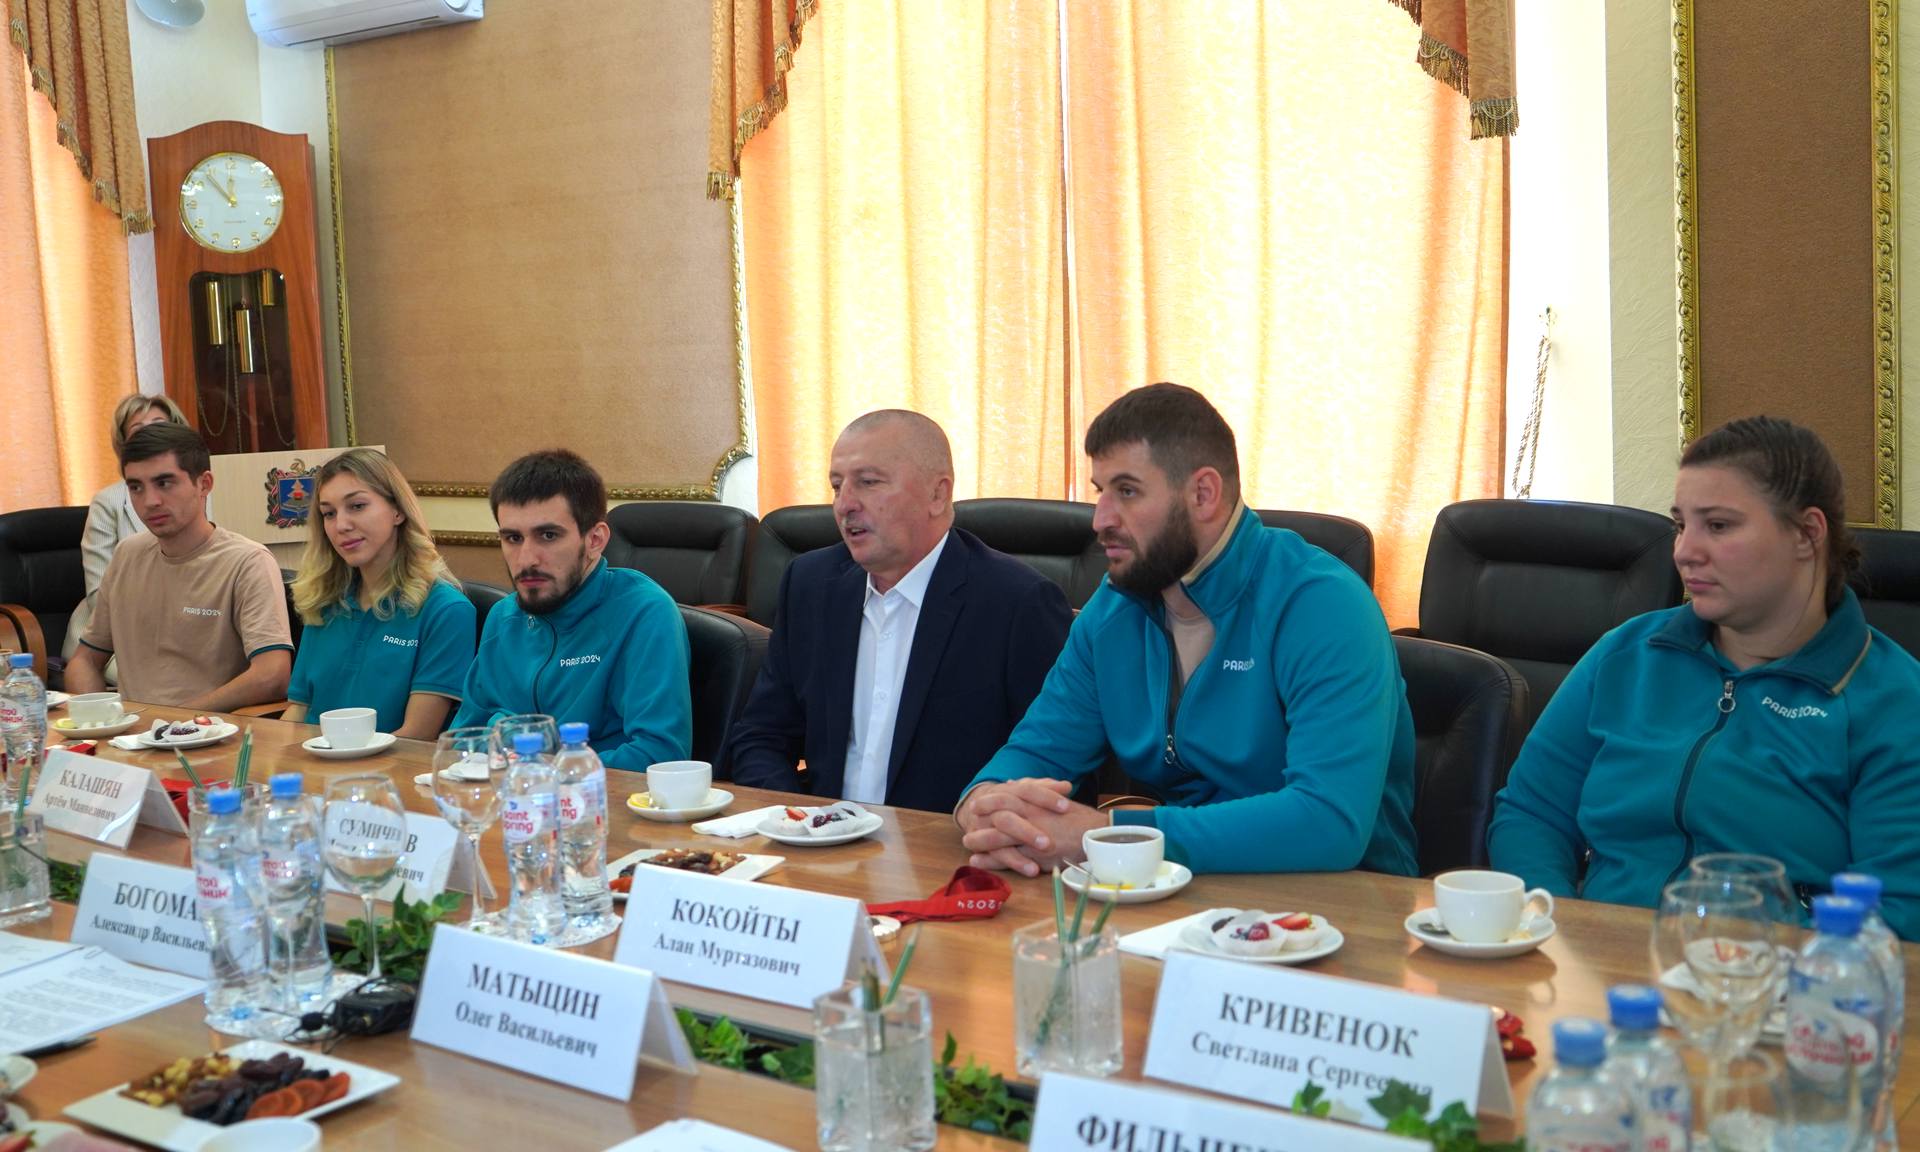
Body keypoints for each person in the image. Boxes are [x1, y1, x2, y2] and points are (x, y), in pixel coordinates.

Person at [956, 383, 1418, 877]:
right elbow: (1035, 751)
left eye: (1127, 491)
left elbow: (1328, 823)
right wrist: (984, 805)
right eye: (1100, 492)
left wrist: (1114, 836)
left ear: (1203, 494)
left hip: (1345, 902)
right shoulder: (1112, 611)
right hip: (1177, 889)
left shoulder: (1323, 604)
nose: (1100, 519)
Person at [1490, 416, 1920, 938]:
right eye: (1681, 525)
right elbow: (1532, 814)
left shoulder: (1894, 700)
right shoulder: (1626, 655)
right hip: (1599, 958)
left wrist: (1756, 960)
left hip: (1774, 975)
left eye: (1717, 526)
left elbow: (1901, 909)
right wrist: (1558, 925)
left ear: (1807, 534)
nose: (1684, 552)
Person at [725, 411, 1073, 812]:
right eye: (837, 486)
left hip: (946, 843)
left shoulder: (1017, 602)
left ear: (937, 495)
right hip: (821, 838)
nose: (844, 504)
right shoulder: (810, 584)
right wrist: (798, 820)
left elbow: (1054, 768)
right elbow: (761, 735)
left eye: (868, 482)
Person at [451, 449, 691, 770]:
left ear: (594, 540)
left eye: (548, 535)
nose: (526, 559)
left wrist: (532, 760)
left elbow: (660, 756)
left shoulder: (645, 612)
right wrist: (510, 739)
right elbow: (462, 741)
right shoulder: (503, 617)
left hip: (605, 798)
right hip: (512, 795)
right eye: (513, 538)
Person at [66, 423, 293, 709]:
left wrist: (177, 720)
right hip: (132, 732)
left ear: (204, 484)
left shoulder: (247, 562)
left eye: (164, 483)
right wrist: (98, 717)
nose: (150, 501)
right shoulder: (127, 555)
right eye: (136, 487)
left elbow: (272, 675)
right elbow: (85, 660)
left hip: (209, 729)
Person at [281, 449, 476, 740]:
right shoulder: (321, 601)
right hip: (310, 762)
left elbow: (417, 735)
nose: (341, 525)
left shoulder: (446, 610)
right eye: (329, 514)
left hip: (389, 765)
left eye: (357, 506)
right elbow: (298, 711)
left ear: (398, 510)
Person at [62, 394, 192, 672]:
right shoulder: (108, 502)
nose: (152, 435)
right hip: (117, 639)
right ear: (124, 444)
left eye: (159, 424)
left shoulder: (202, 492)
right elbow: (100, 597)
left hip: (193, 631)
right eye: (139, 429)